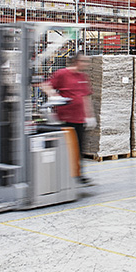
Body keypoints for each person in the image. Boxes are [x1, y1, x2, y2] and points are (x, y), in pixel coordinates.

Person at [40, 52, 96, 184]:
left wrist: (90, 116)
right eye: (84, 61)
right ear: (77, 61)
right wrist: (54, 96)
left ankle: (78, 174)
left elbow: (86, 97)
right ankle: (63, 175)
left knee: (79, 149)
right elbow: (46, 86)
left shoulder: (83, 76)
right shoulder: (62, 73)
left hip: (79, 119)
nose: (86, 64)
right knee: (66, 149)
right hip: (65, 119)